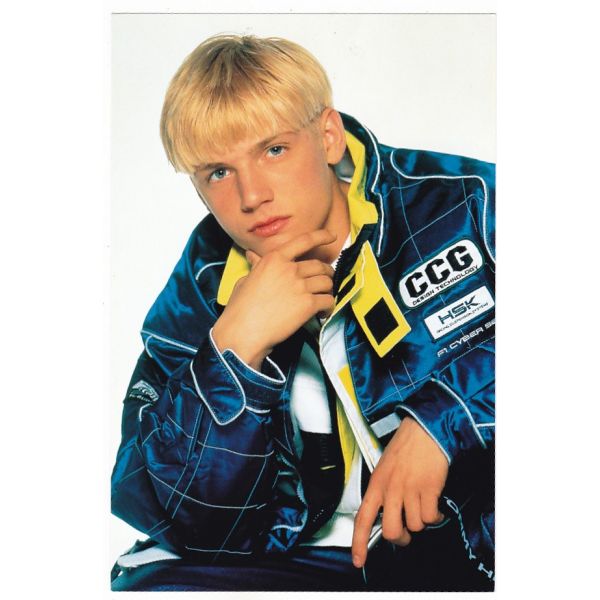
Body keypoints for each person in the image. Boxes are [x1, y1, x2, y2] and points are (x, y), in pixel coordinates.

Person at [111, 33, 495, 592]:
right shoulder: (202, 286)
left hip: (471, 543)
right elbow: (183, 518)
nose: (251, 196)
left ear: (328, 136)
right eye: (218, 172)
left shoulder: (470, 202)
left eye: (273, 150)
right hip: (304, 559)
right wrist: (234, 352)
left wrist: (444, 422)